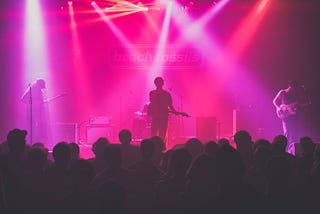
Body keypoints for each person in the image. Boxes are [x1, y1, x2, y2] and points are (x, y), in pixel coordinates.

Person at [273, 80, 309, 153]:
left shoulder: (296, 94)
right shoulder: (282, 92)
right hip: (285, 115)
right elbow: (274, 101)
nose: (294, 91)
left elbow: (298, 105)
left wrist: (301, 106)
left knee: (294, 131)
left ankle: (292, 149)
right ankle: (285, 149)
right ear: (290, 87)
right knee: (287, 132)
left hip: (292, 115)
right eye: (293, 89)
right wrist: (278, 108)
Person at [148, 77, 176, 143]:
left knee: (159, 133)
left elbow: (169, 105)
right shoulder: (165, 94)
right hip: (159, 116)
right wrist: (174, 111)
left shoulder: (153, 93)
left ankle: (157, 147)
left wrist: (174, 111)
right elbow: (170, 105)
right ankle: (159, 147)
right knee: (159, 133)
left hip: (161, 116)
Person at [21, 79, 48, 144]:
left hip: (37, 113)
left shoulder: (39, 91)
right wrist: (33, 103)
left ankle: (36, 142)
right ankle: (30, 142)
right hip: (31, 113)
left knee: (37, 128)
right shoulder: (31, 89)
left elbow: (40, 102)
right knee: (31, 128)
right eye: (43, 84)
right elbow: (23, 99)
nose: (44, 86)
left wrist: (40, 103)